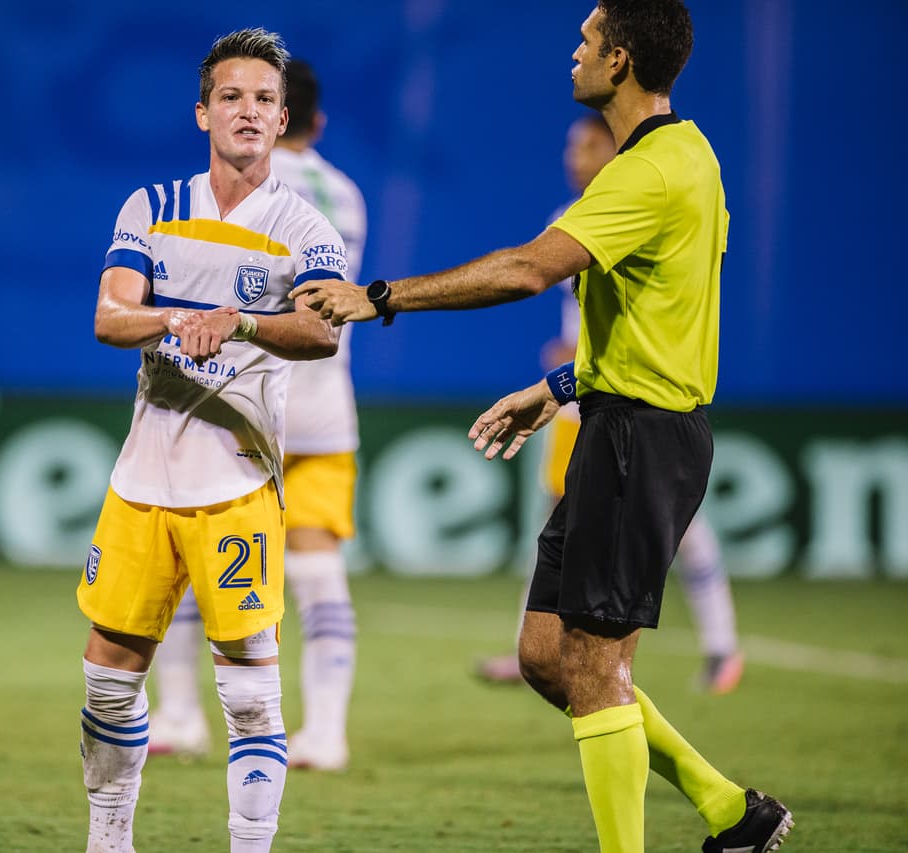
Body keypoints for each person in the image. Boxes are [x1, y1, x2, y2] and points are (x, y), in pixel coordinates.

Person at [291, 3, 792, 851]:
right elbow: (655, 318)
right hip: (615, 418)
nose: (576, 52)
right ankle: (729, 809)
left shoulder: (647, 172)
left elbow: (529, 269)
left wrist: (379, 297)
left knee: (598, 669)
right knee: (546, 656)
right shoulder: (688, 154)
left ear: (622, 61)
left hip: (644, 435)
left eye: (589, 41)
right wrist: (558, 386)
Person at [77, 28, 346, 853]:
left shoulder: (305, 226)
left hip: (235, 487)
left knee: (253, 699)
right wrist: (176, 317)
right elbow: (108, 316)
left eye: (265, 100)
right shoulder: (151, 207)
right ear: (203, 112)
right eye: (231, 97)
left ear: (282, 116)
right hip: (141, 483)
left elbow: (322, 329)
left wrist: (241, 320)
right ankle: (109, 841)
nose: (249, 112)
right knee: (106, 683)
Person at [476, 113, 744, 696]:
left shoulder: (644, 196)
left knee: (681, 527)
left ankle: (722, 644)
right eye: (571, 145)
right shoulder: (565, 221)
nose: (574, 157)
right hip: (580, 395)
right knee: (557, 522)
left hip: (639, 401)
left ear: (612, 148)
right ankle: (535, 645)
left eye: (588, 144)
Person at [148, 58, 366, 773]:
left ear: (273, 119)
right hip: (322, 408)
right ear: (318, 122)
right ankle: (326, 731)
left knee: (189, 561)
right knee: (318, 568)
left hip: (234, 409)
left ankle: (180, 716)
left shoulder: (231, 200)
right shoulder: (346, 197)